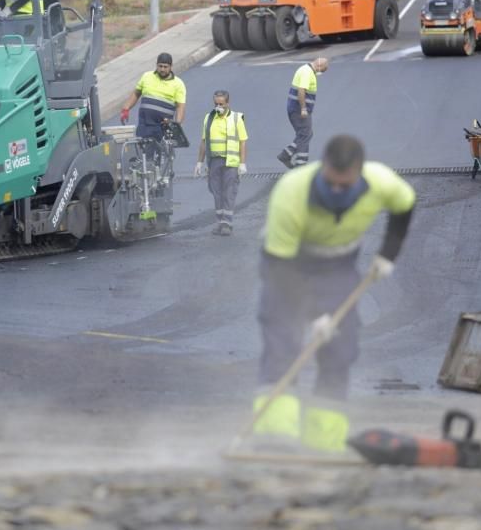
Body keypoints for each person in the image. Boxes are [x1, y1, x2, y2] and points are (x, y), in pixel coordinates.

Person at [254, 135, 415, 452]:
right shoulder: (292, 191)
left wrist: (388, 254)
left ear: (359, 172)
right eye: (332, 183)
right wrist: (312, 314)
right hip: (287, 266)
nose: (338, 190)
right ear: (323, 167)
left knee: (340, 349)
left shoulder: (380, 181)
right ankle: (274, 436)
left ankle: (323, 441)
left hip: (338, 269)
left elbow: (405, 204)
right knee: (284, 343)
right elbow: (281, 269)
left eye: (346, 184)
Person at [194, 90, 248, 236]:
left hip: (231, 162)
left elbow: (243, 142)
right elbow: (204, 142)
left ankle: (227, 223)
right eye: (216, 104)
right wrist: (199, 162)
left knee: (229, 192)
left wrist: (242, 163)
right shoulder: (209, 118)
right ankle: (219, 222)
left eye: (221, 104)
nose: (219, 107)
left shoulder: (236, 118)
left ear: (228, 103)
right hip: (214, 161)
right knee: (216, 192)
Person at [120, 53, 186, 140]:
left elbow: (180, 107)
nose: (162, 69)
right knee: (143, 151)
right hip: (144, 124)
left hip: (163, 126)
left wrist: (177, 126)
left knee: (164, 152)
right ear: (156, 65)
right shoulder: (146, 76)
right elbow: (136, 93)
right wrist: (126, 109)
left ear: (171, 67)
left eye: (165, 67)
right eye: (160, 66)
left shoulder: (178, 84)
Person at [278, 57, 328, 169]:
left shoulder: (305, 69)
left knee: (305, 134)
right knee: (305, 135)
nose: (320, 73)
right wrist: (304, 109)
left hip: (296, 109)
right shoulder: (307, 72)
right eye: (322, 70)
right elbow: (301, 90)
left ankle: (286, 154)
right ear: (319, 65)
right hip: (299, 110)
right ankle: (300, 166)